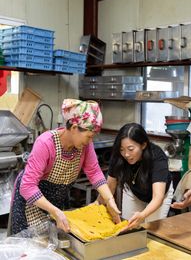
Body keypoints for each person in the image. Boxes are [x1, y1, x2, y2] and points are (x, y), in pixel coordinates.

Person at [10, 99, 120, 235]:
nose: (90, 141)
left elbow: (94, 172)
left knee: (55, 245)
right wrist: (54, 211)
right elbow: (27, 186)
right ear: (74, 128)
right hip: (32, 203)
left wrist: (109, 200)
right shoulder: (45, 143)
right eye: (89, 136)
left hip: (57, 202)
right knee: (32, 249)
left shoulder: (85, 146)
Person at [104, 122, 173, 230]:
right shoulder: (118, 156)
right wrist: (98, 205)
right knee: (129, 227)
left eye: (131, 149)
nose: (126, 154)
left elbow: (157, 197)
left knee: (151, 230)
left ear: (143, 145)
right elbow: (109, 188)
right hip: (133, 191)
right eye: (122, 149)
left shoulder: (157, 156)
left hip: (158, 195)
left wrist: (143, 215)